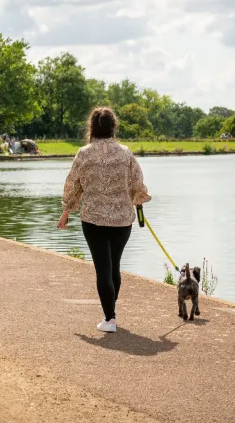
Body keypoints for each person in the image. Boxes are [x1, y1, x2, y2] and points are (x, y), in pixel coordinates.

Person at [58, 107, 151, 333]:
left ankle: (110, 318)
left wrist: (66, 210)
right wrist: (138, 201)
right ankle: (110, 314)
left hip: (94, 220)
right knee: (114, 266)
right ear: (113, 126)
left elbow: (73, 184)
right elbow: (137, 183)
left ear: (92, 127)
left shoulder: (84, 153)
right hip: (122, 220)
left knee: (103, 269)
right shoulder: (126, 153)